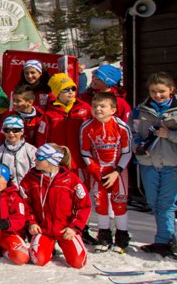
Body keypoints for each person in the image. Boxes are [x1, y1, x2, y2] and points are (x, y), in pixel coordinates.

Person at [18, 144, 91, 269]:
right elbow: (24, 204)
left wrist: (74, 228)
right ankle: (47, 247)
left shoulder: (70, 179)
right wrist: (31, 222)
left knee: (79, 263)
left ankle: (66, 244)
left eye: (39, 158)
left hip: (64, 229)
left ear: (52, 161)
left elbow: (84, 205)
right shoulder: (30, 179)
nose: (35, 160)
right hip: (43, 229)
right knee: (38, 260)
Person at [129, 71, 177, 257]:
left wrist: (170, 135)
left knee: (166, 204)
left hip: (171, 164)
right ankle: (166, 239)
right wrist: (136, 145)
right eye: (154, 91)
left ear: (171, 90)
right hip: (148, 163)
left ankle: (163, 241)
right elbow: (131, 133)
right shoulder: (140, 110)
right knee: (153, 202)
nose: (158, 95)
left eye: (162, 91)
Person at [79, 93, 133, 252]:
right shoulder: (87, 126)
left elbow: (127, 152)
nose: (98, 109)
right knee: (101, 203)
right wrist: (95, 170)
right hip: (98, 171)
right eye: (95, 106)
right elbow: (85, 152)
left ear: (113, 110)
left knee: (119, 203)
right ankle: (103, 235)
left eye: (102, 106)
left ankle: (122, 236)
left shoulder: (122, 126)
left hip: (118, 172)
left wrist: (117, 171)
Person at [40, 73, 92, 181]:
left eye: (73, 88)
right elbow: (42, 138)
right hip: (58, 162)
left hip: (81, 162)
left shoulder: (85, 109)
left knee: (82, 192)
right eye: (65, 89)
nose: (70, 92)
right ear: (57, 92)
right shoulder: (50, 113)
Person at [0, 115, 38, 183]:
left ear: (22, 131)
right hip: (8, 191)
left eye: (15, 130)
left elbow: (37, 175)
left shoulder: (32, 151)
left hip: (28, 190)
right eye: (7, 130)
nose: (11, 133)